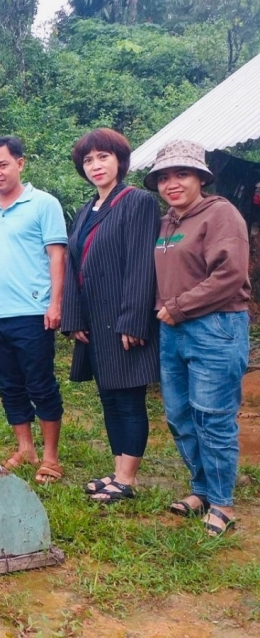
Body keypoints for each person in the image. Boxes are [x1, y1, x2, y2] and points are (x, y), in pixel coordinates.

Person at [147, 139, 250, 534]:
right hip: (173, 329)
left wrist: (177, 307)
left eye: (182, 174)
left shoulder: (220, 215)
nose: (172, 183)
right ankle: (202, 489)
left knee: (213, 417)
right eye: (164, 177)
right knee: (179, 414)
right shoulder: (167, 222)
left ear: (200, 178)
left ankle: (223, 502)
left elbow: (230, 276)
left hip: (215, 326)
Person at [61, 128, 161, 503]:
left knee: (129, 399)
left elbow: (141, 265)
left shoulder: (138, 202)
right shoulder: (88, 209)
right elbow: (73, 266)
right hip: (94, 320)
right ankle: (118, 470)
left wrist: (134, 320)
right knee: (109, 397)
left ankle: (128, 480)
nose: (95, 165)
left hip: (122, 320)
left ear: (120, 159)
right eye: (88, 160)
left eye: (103, 156)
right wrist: (73, 319)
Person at [0, 136, 66, 484]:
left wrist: (56, 302)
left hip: (33, 312)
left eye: (2, 164)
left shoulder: (43, 204)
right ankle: (26, 448)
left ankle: (50, 457)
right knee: (9, 385)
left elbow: (57, 255)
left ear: (20, 164)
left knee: (40, 384)